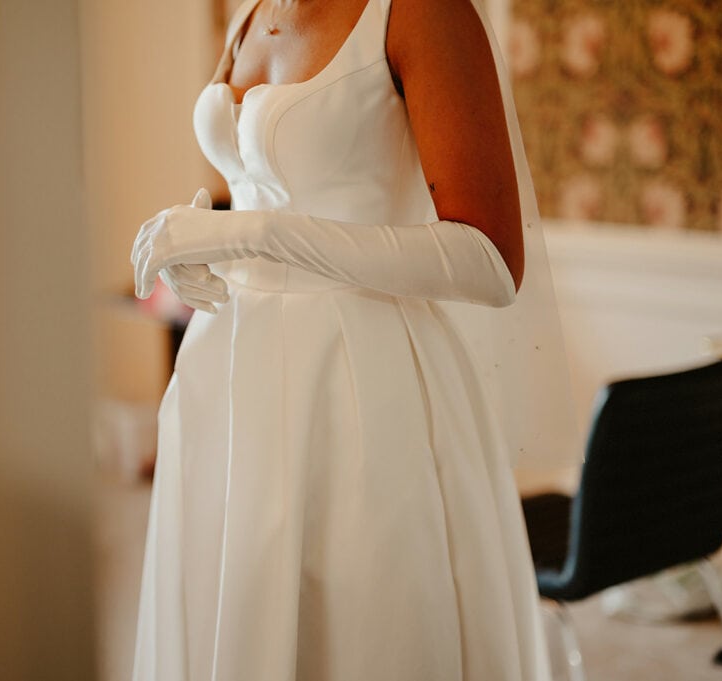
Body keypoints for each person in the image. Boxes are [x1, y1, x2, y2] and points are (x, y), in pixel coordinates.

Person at [130, 0, 577, 678]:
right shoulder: (250, 11)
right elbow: (258, 184)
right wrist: (207, 248)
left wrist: (255, 235)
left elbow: (491, 261)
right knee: (233, 611)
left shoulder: (422, 13)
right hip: (224, 379)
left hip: (360, 380)